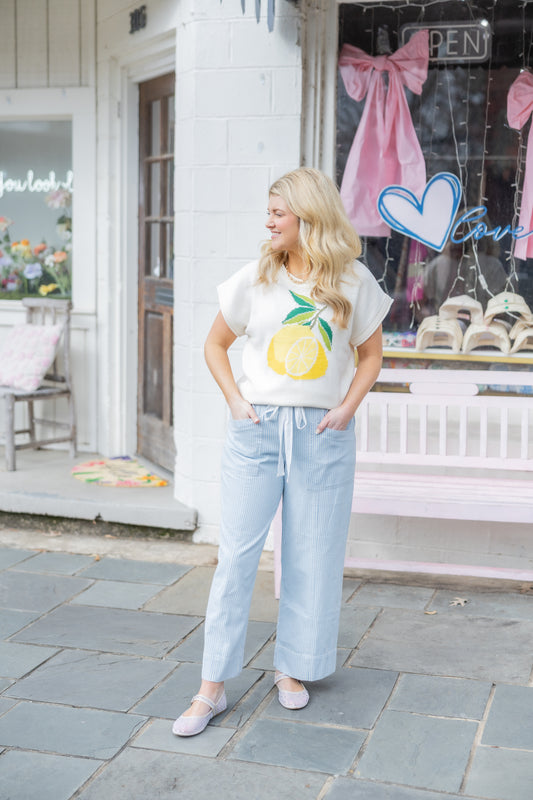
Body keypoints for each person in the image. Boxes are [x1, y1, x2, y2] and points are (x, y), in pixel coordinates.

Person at [172, 167, 393, 737]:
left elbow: (371, 355)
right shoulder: (256, 278)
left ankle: (291, 669)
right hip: (259, 429)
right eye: (268, 212)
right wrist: (236, 404)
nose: (268, 222)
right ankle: (212, 687)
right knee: (237, 558)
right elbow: (216, 345)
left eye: (278, 212)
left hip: (322, 433)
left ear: (308, 217)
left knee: (311, 555)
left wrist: (347, 408)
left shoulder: (353, 281)